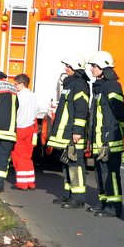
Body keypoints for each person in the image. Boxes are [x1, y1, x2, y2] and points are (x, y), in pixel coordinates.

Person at [86, 51, 124, 218]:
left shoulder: (112, 86)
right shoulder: (99, 86)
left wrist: (121, 133)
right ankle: (104, 202)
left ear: (103, 68)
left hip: (110, 140)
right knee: (99, 172)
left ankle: (114, 206)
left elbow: (120, 112)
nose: (91, 69)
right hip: (99, 140)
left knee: (110, 173)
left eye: (94, 66)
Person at [46, 55, 90, 208]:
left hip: (73, 133)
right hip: (66, 132)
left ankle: (77, 198)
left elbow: (81, 109)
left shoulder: (80, 85)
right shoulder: (71, 84)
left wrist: (77, 131)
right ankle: (67, 194)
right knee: (66, 162)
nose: (65, 69)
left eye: (68, 66)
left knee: (75, 165)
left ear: (75, 67)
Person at [12, 74, 38, 190]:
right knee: (27, 156)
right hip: (31, 128)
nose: (14, 86)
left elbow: (15, 112)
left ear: (22, 84)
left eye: (16, 84)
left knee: (18, 156)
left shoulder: (18, 96)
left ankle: (22, 183)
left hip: (20, 127)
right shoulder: (33, 96)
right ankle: (30, 182)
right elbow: (36, 111)